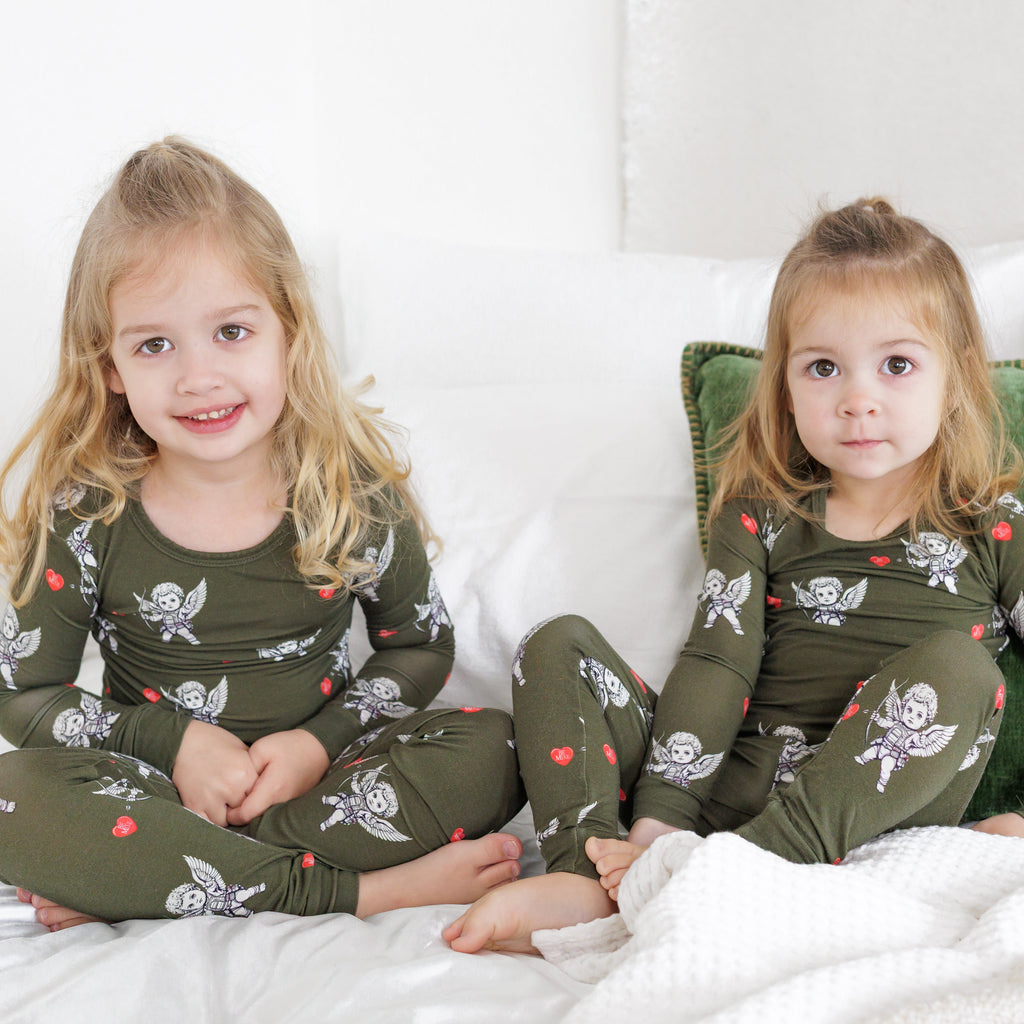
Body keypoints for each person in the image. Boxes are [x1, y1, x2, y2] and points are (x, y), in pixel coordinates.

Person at [445, 198, 1024, 955]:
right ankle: (590, 872)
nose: (858, 399)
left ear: (955, 379)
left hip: (872, 814)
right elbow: (718, 663)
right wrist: (660, 824)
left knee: (960, 668)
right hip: (730, 796)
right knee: (557, 645)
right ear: (785, 383)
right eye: (823, 367)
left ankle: (737, 876)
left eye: (897, 364)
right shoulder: (760, 515)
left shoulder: (992, 520)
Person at [0, 137, 525, 930]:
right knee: (15, 798)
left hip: (322, 783)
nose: (198, 376)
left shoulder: (352, 490)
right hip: (150, 784)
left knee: (498, 747)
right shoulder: (85, 511)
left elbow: (418, 647)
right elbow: (24, 693)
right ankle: (364, 891)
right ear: (109, 366)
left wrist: (318, 746)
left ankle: (148, 875)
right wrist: (173, 745)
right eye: (154, 344)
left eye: (232, 332)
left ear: (287, 327)